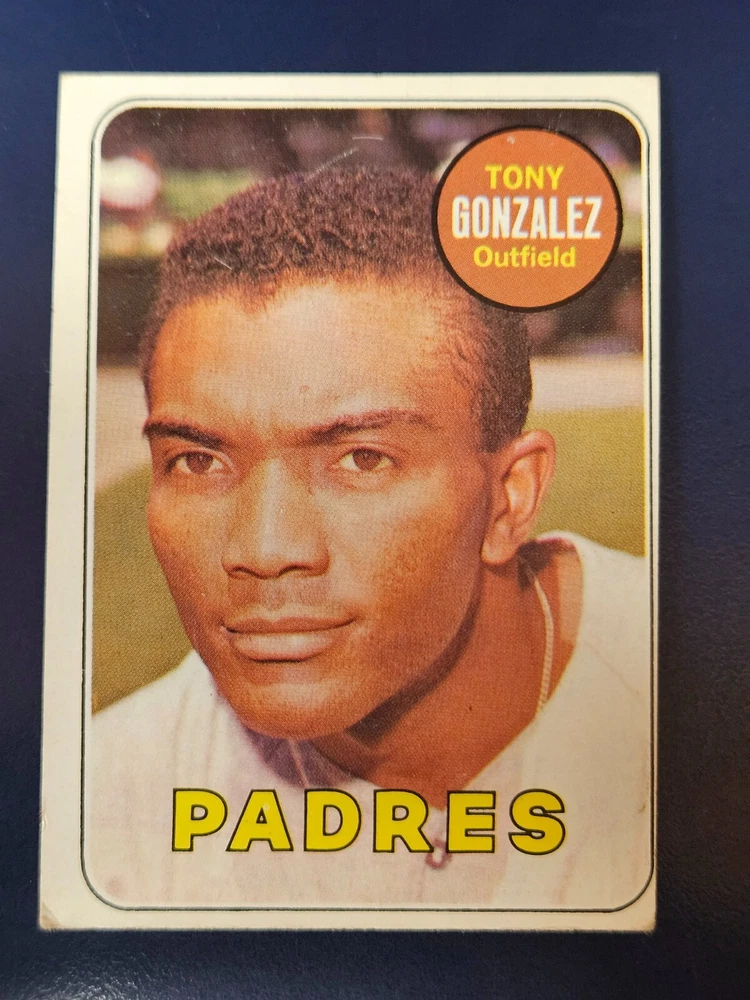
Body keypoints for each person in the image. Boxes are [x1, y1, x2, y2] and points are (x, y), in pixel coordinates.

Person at [88, 168, 651, 911]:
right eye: (198, 461)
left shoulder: (692, 706)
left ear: (509, 501)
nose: (264, 549)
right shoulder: (103, 803)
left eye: (362, 459)